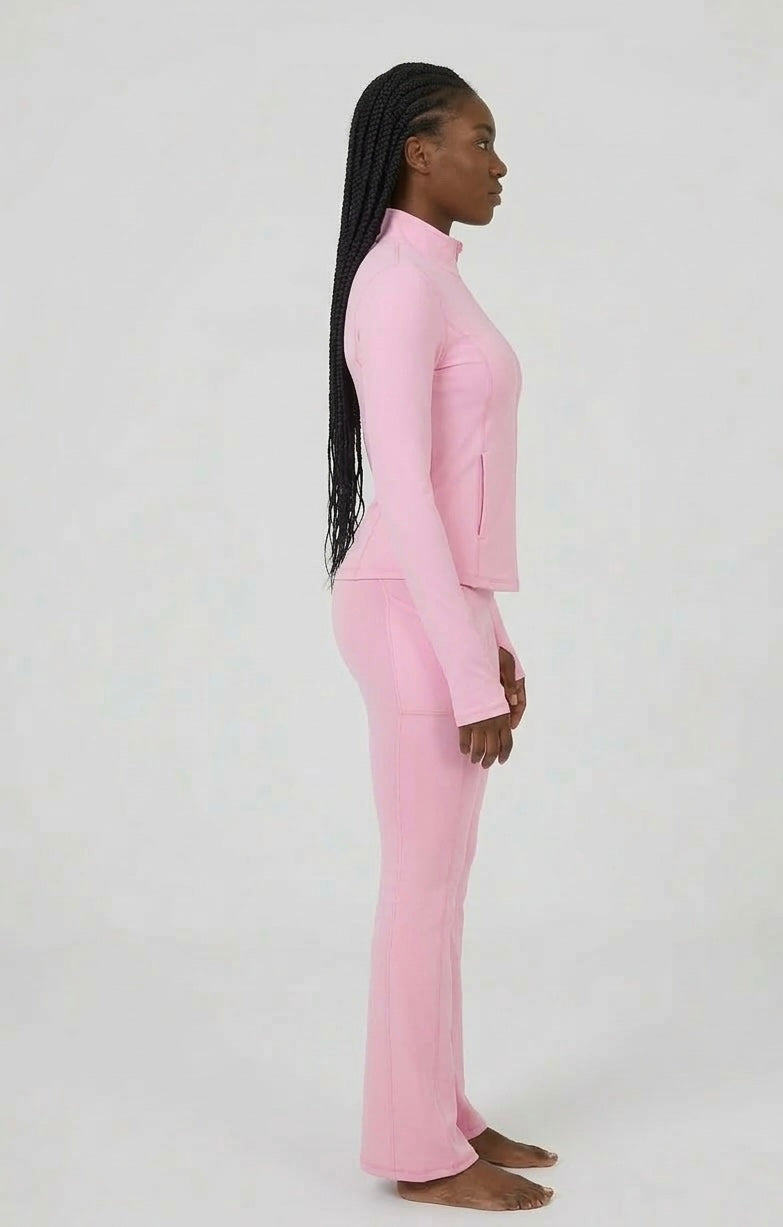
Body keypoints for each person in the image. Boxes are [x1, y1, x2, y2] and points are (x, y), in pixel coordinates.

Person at [324, 62, 558, 1212]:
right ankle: (417, 1151)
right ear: (420, 151)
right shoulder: (395, 282)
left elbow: (459, 498)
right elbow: (406, 489)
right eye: (481, 138)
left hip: (436, 604)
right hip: (401, 607)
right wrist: (465, 670)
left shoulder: (433, 277)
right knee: (420, 886)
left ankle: (444, 1109)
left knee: (444, 883)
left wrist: (490, 638)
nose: (499, 164)